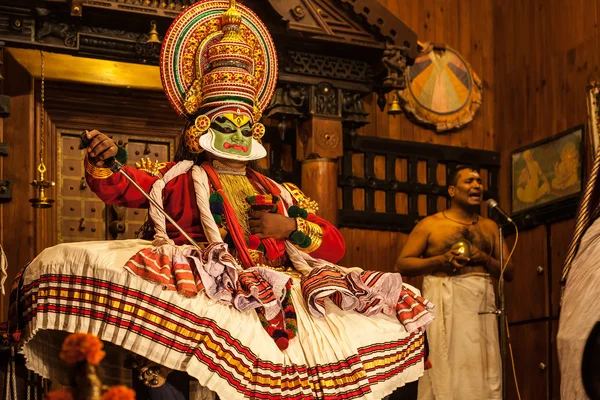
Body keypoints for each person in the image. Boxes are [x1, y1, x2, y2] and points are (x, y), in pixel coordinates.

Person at [7, 1, 434, 399]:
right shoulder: (175, 179)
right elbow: (121, 185)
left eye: (245, 128)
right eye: (226, 125)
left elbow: (334, 245)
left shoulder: (279, 191)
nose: (236, 136)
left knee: (389, 324)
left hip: (283, 293)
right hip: (208, 289)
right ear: (201, 129)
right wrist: (107, 159)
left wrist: (289, 228)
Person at [396, 165, 513, 400]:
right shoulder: (431, 225)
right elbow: (402, 264)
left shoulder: (490, 227)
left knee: (482, 363)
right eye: (469, 181)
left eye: (479, 181)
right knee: (445, 362)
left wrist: (485, 259)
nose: (477, 186)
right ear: (452, 190)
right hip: (445, 301)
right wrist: (440, 260)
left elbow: (509, 271)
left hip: (480, 306)